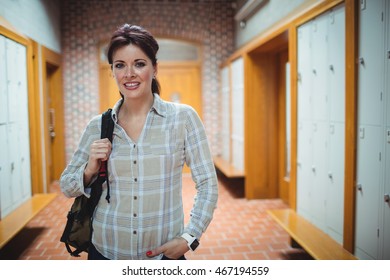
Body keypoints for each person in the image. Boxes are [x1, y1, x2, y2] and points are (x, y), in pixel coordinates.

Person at [60, 23, 218, 260]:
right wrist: (90, 168)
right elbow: (67, 186)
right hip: (105, 252)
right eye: (120, 65)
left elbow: (207, 183)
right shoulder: (98, 126)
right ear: (112, 71)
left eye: (140, 64)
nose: (129, 73)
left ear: (155, 68)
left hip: (163, 256)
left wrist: (189, 238)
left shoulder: (183, 119)